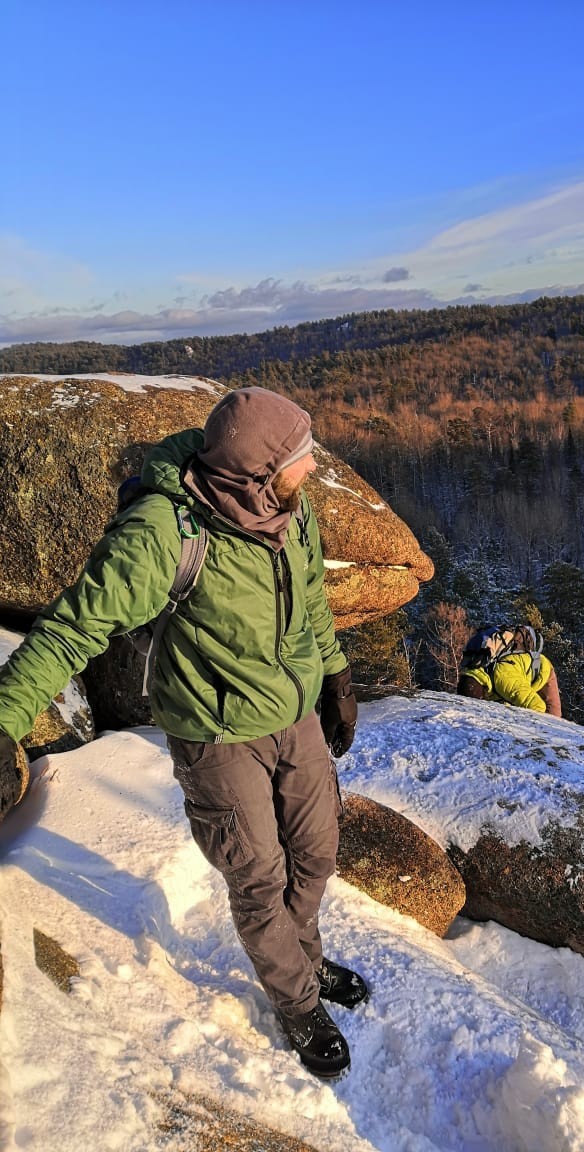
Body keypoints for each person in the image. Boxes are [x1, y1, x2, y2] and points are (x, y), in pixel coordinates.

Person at [0, 386, 366, 1077]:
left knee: (315, 853)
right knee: (259, 879)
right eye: (299, 458)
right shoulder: (166, 533)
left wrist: (333, 676)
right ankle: (297, 1003)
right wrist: (4, 721)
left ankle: (306, 964)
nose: (311, 468)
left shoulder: (292, 509)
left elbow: (312, 591)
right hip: (218, 734)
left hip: (292, 717)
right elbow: (74, 627)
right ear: (255, 474)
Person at [457, 625, 562, 716]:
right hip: (517, 674)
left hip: (542, 671)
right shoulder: (472, 669)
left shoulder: (503, 680)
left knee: (553, 721)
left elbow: (537, 706)